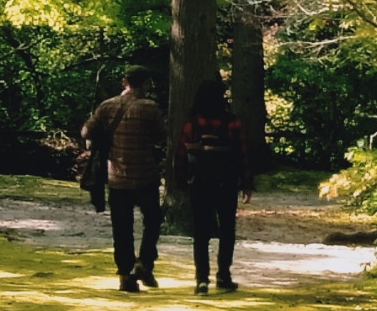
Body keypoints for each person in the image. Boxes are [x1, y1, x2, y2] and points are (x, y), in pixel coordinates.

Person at [82, 66, 166, 292]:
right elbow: (161, 137)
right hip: (146, 176)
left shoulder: (106, 106)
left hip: (116, 177)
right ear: (146, 84)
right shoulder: (151, 108)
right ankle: (145, 261)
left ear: (124, 82)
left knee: (121, 229)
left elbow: (86, 132)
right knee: (153, 221)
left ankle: (125, 275)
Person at [176, 78, 253, 295]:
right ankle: (224, 276)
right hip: (226, 183)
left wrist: (180, 181)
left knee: (200, 232)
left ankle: (201, 280)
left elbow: (181, 154)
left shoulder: (192, 122)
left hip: (199, 183)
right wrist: (247, 184)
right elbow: (243, 154)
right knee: (227, 230)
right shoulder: (232, 122)